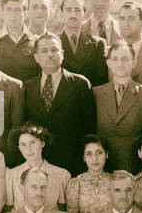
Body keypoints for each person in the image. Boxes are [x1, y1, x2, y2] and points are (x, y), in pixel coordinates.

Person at [23, 32, 96, 176]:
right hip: (38, 164)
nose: (50, 54)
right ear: (36, 57)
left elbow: (89, 129)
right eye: (44, 51)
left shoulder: (80, 84)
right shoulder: (28, 87)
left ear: (62, 53)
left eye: (54, 50)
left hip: (71, 164)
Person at [94, 42, 142, 171]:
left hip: (134, 165)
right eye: (115, 59)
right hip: (103, 166)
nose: (120, 64)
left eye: (125, 59)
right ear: (108, 63)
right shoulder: (95, 93)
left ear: (134, 63)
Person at [6, 124, 71, 210]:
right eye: (23, 144)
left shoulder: (61, 175)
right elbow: (8, 211)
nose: (28, 149)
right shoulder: (11, 175)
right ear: (19, 148)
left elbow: (63, 211)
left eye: (32, 142)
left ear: (42, 143)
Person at [57, 0, 109, 86]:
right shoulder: (54, 44)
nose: (73, 14)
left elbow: (101, 82)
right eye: (68, 10)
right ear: (61, 14)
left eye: (77, 10)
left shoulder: (98, 44)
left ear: (84, 14)